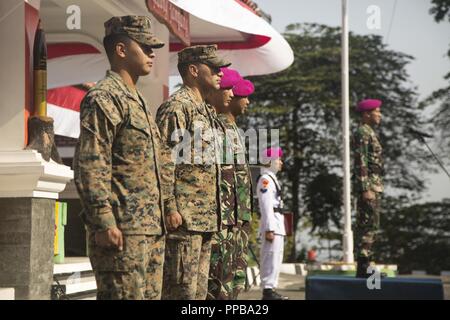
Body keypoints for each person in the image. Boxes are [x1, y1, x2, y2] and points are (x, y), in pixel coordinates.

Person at [73, 15, 176, 300]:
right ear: (121, 50)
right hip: (123, 231)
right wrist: (103, 220)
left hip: (150, 231)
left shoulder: (138, 100)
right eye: (144, 46)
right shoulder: (105, 97)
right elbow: (91, 162)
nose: (152, 53)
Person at [156, 44, 231, 300]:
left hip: (206, 220)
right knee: (181, 292)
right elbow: (164, 161)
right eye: (214, 67)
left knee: (198, 296)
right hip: (184, 221)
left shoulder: (207, 111)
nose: (220, 73)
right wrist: (169, 206)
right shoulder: (177, 107)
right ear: (193, 70)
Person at [206, 68, 254, 300]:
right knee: (218, 282)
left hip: (236, 216)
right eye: (238, 95)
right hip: (223, 218)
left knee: (234, 279)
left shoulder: (233, 129)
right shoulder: (215, 126)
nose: (245, 101)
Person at [352, 99, 384, 278]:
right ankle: (363, 267)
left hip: (375, 185)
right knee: (367, 226)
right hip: (369, 186)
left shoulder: (369, 132)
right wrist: (365, 188)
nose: (379, 115)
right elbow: (361, 161)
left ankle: (366, 265)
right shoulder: (363, 132)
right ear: (366, 114)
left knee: (372, 226)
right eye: (376, 111)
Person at [256, 147, 289, 300]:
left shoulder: (271, 179)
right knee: (270, 257)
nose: (280, 162)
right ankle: (267, 291)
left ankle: (271, 289)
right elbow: (266, 205)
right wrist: (269, 228)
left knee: (276, 257)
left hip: (277, 224)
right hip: (272, 225)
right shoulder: (265, 180)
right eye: (277, 159)